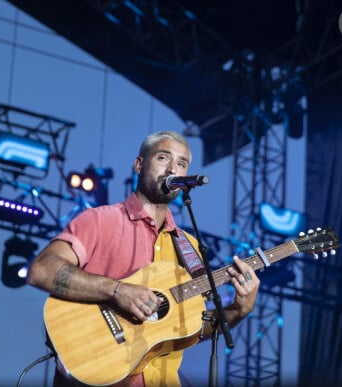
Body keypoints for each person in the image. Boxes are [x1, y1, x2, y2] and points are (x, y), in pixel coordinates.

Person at [26, 130, 260, 386]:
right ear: (139, 165)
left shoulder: (190, 248)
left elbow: (188, 330)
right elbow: (41, 270)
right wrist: (117, 290)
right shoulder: (99, 220)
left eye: (181, 164)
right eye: (163, 158)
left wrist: (239, 309)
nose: (173, 168)